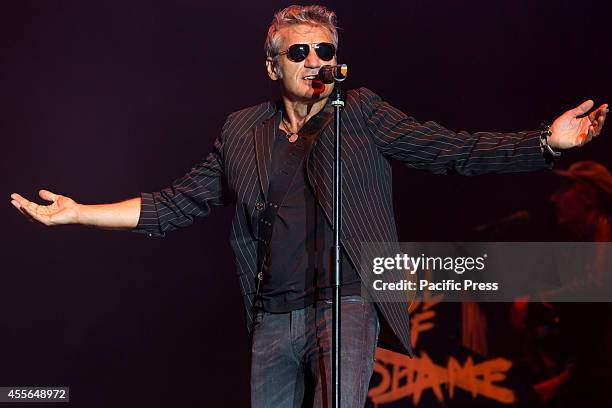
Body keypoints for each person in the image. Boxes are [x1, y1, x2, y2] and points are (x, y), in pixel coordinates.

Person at [8, 5, 608, 408]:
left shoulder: (360, 113)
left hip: (344, 305)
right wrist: (79, 212)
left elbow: (451, 150)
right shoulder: (244, 132)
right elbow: (176, 203)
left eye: (325, 50)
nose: (315, 60)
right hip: (271, 317)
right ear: (274, 65)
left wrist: (543, 143)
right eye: (300, 52)